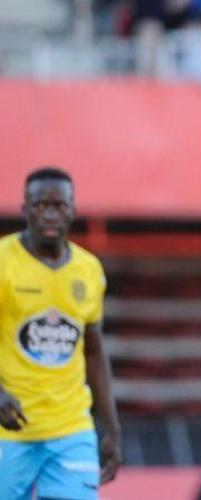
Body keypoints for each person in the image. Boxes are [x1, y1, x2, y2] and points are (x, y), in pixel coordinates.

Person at [0, 167, 122, 499]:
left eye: (59, 205)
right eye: (41, 205)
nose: (50, 214)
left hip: (71, 428)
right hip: (9, 429)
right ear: (25, 208)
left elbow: (93, 351)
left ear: (72, 209)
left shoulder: (88, 269)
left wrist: (112, 428)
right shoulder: (4, 262)